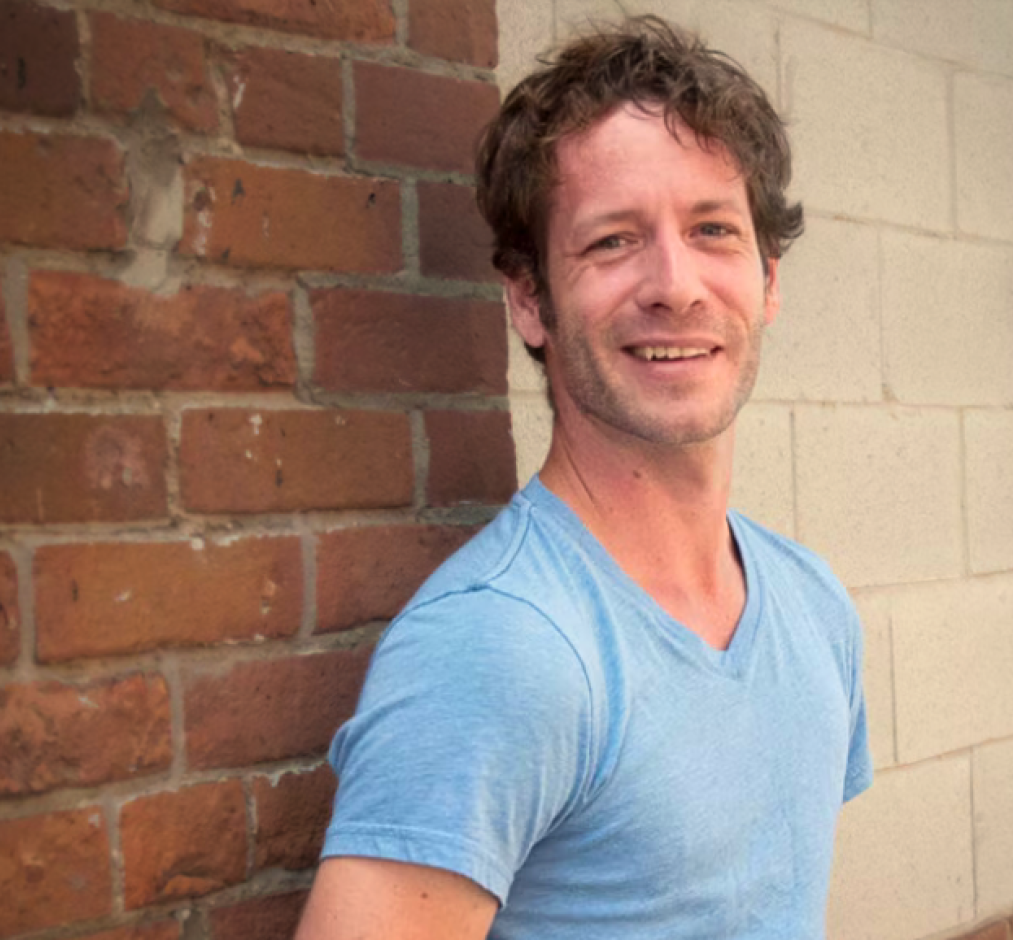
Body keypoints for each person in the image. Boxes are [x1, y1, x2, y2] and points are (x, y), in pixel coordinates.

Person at [295, 17, 873, 940]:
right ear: (529, 298)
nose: (675, 285)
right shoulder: (499, 648)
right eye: (612, 242)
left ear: (768, 278)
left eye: (713, 230)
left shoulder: (815, 608)